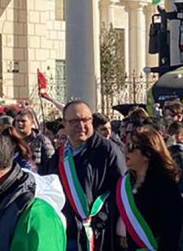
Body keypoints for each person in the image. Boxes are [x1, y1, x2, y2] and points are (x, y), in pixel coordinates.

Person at [49, 100, 127, 251]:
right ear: (65, 124)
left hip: (100, 233)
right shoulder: (59, 156)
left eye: (85, 120)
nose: (81, 125)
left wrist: (104, 217)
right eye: (75, 121)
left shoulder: (107, 150)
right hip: (68, 233)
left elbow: (122, 188)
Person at [114, 126, 183, 250]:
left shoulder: (165, 185)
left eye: (131, 147)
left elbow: (171, 230)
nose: (126, 151)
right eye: (126, 145)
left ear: (148, 154)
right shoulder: (126, 182)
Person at [14, 109, 55, 174]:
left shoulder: (43, 141)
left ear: (32, 123)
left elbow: (51, 163)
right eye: (17, 121)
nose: (19, 123)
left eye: (23, 121)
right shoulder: (11, 141)